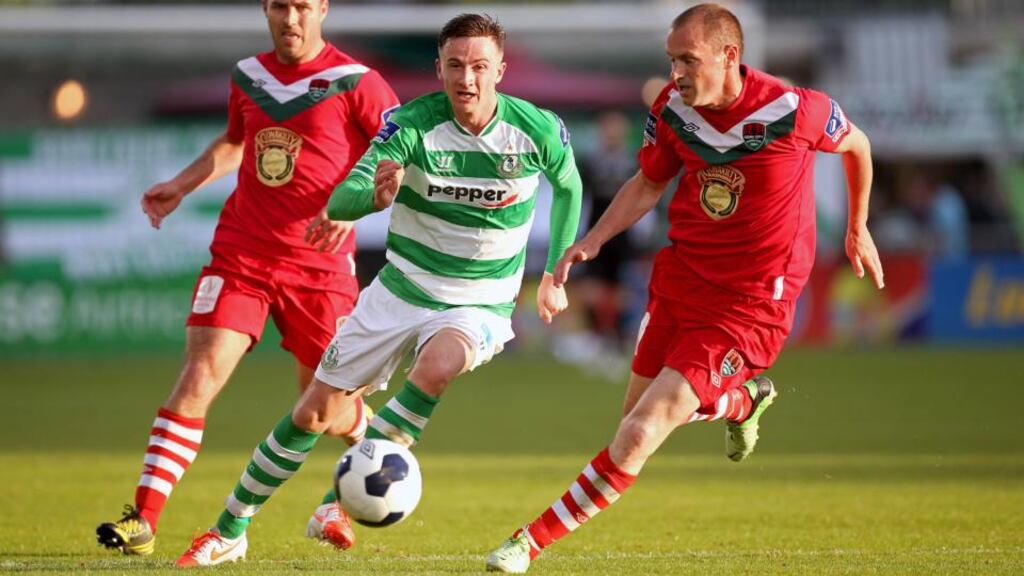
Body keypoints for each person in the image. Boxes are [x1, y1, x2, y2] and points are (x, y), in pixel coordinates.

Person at [486, 4, 884, 573]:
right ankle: (741, 401)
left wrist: (856, 225)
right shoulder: (672, 109)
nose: (677, 72)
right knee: (632, 424)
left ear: (729, 56)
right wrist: (592, 240)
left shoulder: (793, 109)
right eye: (672, 60)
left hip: (750, 303)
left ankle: (527, 542)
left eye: (688, 60)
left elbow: (859, 146)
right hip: (680, 282)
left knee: (641, 432)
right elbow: (648, 184)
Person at [173, 13, 582, 567]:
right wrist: (372, 197)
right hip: (400, 289)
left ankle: (334, 502)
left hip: (479, 300)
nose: (468, 79)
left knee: (437, 366)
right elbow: (342, 199)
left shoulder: (534, 128)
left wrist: (556, 272)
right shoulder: (410, 125)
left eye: (481, 67)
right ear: (438, 69)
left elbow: (569, 184)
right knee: (314, 414)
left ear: (501, 71)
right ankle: (231, 528)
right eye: (456, 65)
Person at [95, 0, 399, 557]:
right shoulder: (249, 76)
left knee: (327, 410)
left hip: (320, 268)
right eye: (281, 6)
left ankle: (349, 486)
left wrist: (350, 207)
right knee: (200, 373)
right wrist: (182, 185)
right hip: (243, 254)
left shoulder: (357, 82)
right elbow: (237, 142)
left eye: (303, 6)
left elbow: (398, 158)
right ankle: (143, 519)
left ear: (323, 8)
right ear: (266, 8)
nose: (291, 18)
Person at [577, 110, 638, 351]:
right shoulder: (591, 162)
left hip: (623, 233)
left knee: (619, 290)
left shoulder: (633, 161)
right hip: (595, 229)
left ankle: (617, 338)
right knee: (592, 287)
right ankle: (597, 336)